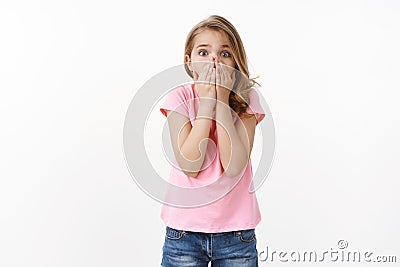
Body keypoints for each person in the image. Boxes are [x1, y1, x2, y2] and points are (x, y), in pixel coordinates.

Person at [159, 15, 265, 267]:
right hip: (183, 233)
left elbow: (234, 166)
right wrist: (206, 104)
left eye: (225, 53)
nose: (214, 60)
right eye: (204, 52)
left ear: (236, 62)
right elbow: (190, 164)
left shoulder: (247, 100)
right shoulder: (179, 98)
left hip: (236, 234)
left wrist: (221, 101)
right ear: (189, 61)